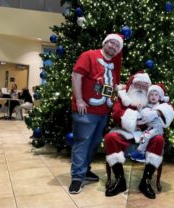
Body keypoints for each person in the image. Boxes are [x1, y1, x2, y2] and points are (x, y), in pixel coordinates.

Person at [104, 72, 174, 199]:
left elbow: (168, 108)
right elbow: (116, 114)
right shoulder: (124, 97)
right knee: (110, 138)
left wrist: (158, 112)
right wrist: (133, 120)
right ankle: (120, 180)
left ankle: (146, 181)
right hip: (126, 131)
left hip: (147, 131)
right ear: (131, 85)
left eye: (144, 86)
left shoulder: (153, 96)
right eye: (138, 85)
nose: (141, 88)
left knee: (158, 139)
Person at [69, 33, 124, 194]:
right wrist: (79, 100)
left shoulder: (113, 66)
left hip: (103, 112)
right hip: (85, 110)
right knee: (82, 142)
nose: (113, 46)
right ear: (105, 42)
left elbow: (110, 86)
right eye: (111, 43)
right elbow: (76, 75)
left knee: (93, 143)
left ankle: (84, 170)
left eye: (116, 45)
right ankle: (77, 178)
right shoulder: (89, 55)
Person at [129, 84, 173, 162]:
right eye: (151, 95)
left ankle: (140, 152)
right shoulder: (147, 106)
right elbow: (145, 116)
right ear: (148, 97)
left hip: (157, 128)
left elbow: (149, 116)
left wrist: (144, 112)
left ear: (159, 97)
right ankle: (141, 153)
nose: (153, 96)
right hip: (151, 127)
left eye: (156, 95)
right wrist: (140, 110)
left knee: (146, 136)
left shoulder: (160, 106)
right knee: (142, 136)